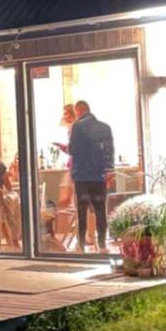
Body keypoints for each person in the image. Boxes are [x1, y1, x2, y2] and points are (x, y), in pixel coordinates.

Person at [66, 99, 115, 252]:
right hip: (99, 176)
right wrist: (109, 171)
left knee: (82, 211)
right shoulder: (105, 127)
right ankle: (102, 245)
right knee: (100, 210)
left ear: (78, 111)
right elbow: (109, 152)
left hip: (82, 176)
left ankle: (81, 246)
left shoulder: (77, 127)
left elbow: (72, 150)